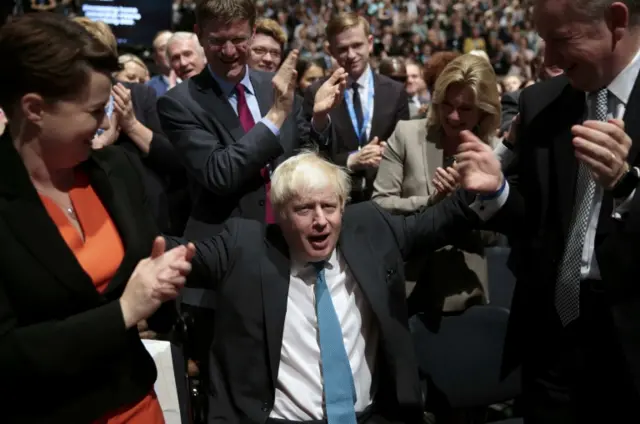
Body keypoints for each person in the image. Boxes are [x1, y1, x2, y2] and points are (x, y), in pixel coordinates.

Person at [167, 149, 506, 424]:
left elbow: (437, 222)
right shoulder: (243, 247)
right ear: (280, 214)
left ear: (342, 207)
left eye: (329, 207)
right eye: (304, 209)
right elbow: (178, 255)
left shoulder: (370, 230)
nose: (320, 220)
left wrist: (488, 191)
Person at [0, 13, 194, 423]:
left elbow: (145, 274)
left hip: (140, 402)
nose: (104, 123)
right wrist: (124, 311)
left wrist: (163, 281)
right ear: (34, 108)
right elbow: (10, 351)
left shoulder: (116, 170)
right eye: (92, 111)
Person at [459, 0, 640, 421]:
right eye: (542, 41)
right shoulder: (540, 102)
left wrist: (627, 187)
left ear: (616, 21)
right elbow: (535, 222)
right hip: (550, 340)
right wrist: (498, 193)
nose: (549, 60)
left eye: (561, 40)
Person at [157, 0, 347, 239]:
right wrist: (276, 115)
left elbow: (310, 158)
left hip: (289, 239)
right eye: (217, 41)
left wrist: (319, 119)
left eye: (238, 40)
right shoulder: (178, 103)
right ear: (200, 35)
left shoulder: (275, 87)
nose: (229, 51)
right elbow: (220, 174)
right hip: (227, 248)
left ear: (253, 33)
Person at [372, 53, 502, 319]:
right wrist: (433, 202)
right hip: (403, 287)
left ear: (483, 110)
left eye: (465, 109)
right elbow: (380, 205)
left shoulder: (493, 153)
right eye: (447, 104)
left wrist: (470, 201)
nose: (453, 116)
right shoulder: (407, 134)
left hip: (464, 292)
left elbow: (494, 235)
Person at [304, 12, 410, 204]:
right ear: (331, 51)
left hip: (384, 200)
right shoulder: (317, 93)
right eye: (343, 49)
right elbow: (309, 154)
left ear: (370, 43)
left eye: (357, 45)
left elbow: (408, 152)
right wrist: (351, 161)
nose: (351, 55)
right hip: (336, 201)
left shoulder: (395, 92)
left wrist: (392, 152)